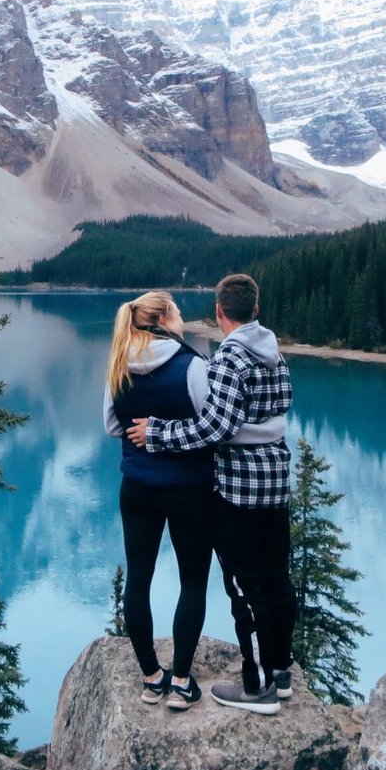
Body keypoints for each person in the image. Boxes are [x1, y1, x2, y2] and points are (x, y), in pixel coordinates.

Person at [128, 273, 295, 716]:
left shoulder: (226, 360)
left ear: (219, 312)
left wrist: (158, 432)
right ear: (255, 310)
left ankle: (257, 687)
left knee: (244, 585)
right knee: (277, 577)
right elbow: (281, 408)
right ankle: (280, 672)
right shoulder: (274, 354)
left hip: (238, 487)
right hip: (276, 480)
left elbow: (215, 428)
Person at [104, 290, 212, 711]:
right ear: (164, 319)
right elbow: (210, 424)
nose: (184, 320)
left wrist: (144, 431)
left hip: (137, 487)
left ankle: (151, 678)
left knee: (139, 578)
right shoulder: (193, 366)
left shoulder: (118, 364)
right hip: (189, 489)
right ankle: (182, 682)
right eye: (180, 313)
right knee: (193, 580)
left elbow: (113, 426)